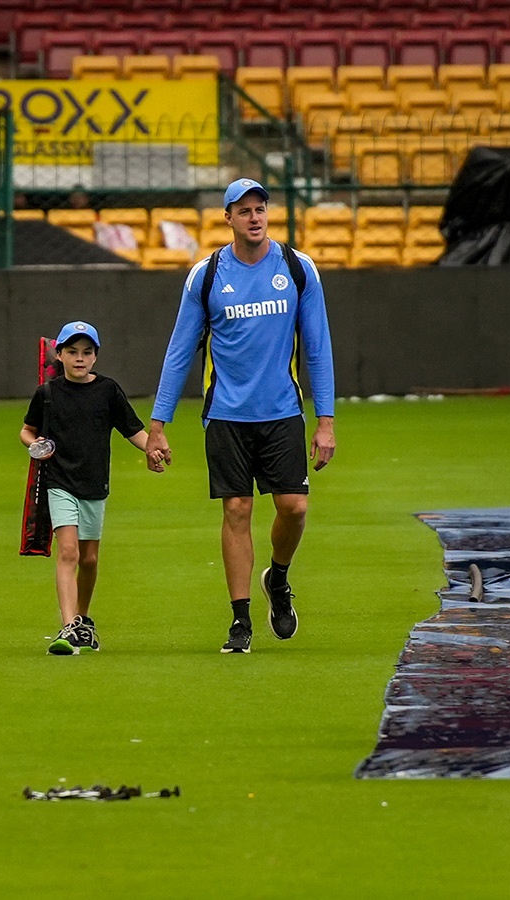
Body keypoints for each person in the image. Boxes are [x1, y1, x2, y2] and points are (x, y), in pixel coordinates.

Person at [146, 178, 336, 655]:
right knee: (237, 510)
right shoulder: (206, 275)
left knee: (294, 507)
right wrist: (157, 424)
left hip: (282, 411)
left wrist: (326, 421)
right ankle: (240, 620)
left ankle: (280, 577)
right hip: (226, 414)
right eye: (244, 210)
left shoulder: (297, 267)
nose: (255, 217)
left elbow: (318, 349)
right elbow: (179, 351)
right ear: (227, 218)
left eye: (261, 208)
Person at [20, 321, 155, 655]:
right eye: (72, 352)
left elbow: (131, 429)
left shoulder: (108, 390)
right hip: (59, 481)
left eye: (87, 352)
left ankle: (82, 619)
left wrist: (153, 448)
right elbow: (27, 430)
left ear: (95, 357)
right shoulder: (47, 393)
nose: (79, 358)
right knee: (69, 552)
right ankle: (68, 629)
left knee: (90, 559)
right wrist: (35, 444)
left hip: (94, 483)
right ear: (60, 355)